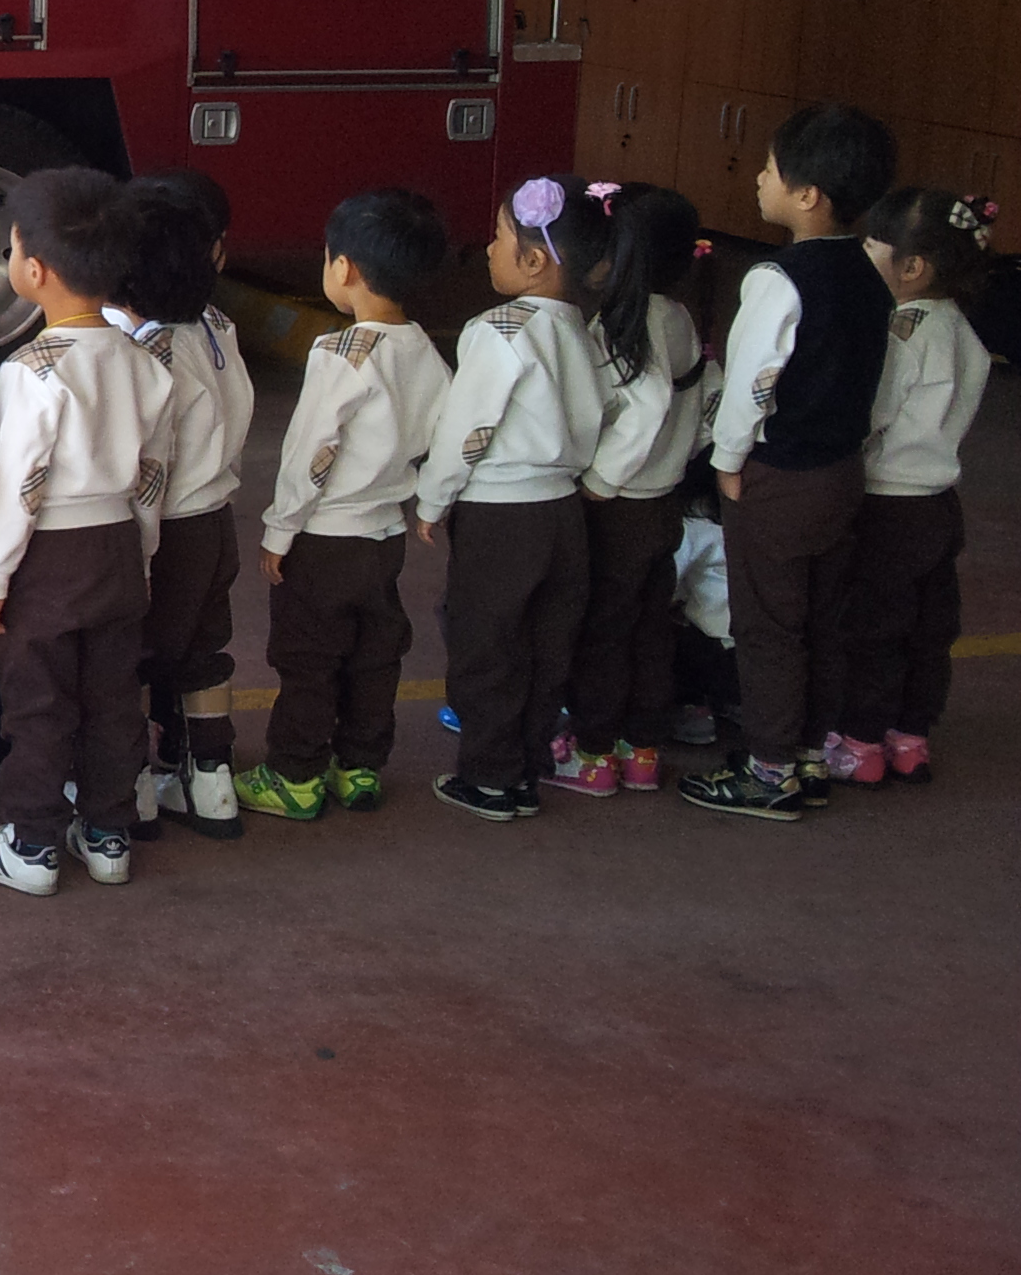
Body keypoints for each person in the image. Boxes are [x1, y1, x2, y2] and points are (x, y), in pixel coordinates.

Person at [0, 171, 174, 898]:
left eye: (13, 247)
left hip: (48, 558)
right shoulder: (145, 360)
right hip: (118, 547)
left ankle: (32, 844)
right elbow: (152, 474)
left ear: (36, 271)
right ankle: (108, 836)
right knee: (113, 702)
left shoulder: (31, 367)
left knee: (39, 706)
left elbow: (20, 485)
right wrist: (143, 554)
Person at [684, 103, 898, 822]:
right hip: (841, 471)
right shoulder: (869, 272)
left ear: (807, 195)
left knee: (768, 626)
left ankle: (768, 769)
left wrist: (728, 458)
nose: (758, 178)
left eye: (770, 169)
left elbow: (753, 381)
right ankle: (809, 754)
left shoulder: (778, 278)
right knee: (822, 621)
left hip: (779, 479)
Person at [236, 190, 453, 822]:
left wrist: (280, 529)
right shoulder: (426, 351)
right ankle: (359, 767)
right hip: (384, 538)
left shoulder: (341, 352)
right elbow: (442, 437)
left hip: (324, 540)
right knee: (374, 656)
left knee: (308, 659)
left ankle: (295, 775)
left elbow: (311, 451)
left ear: (345, 268)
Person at [412, 176, 613, 824]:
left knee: (488, 647)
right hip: (564, 514)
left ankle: (490, 778)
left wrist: (432, 498)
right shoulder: (583, 330)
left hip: (501, 516)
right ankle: (527, 768)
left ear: (534, 261)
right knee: (546, 649)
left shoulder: (498, 329)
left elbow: (467, 429)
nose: (488, 249)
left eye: (498, 238)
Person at [552, 186, 717, 801]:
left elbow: (644, 408)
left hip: (620, 507)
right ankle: (640, 750)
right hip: (661, 502)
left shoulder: (635, 317)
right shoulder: (677, 315)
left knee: (603, 631)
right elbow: (704, 403)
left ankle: (593, 753)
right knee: (649, 629)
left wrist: (600, 480)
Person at [828, 187, 993, 787]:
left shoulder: (903, 331)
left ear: (913, 267)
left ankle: (860, 743)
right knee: (929, 629)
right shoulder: (961, 328)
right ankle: (910, 739)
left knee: (875, 627)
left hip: (887, 505)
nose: (863, 255)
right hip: (937, 503)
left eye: (873, 246)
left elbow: (872, 413)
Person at [112, 171, 255, 842]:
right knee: (205, 652)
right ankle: (213, 781)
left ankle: (137, 788)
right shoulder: (218, 327)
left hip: (163, 530)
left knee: (136, 657)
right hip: (216, 521)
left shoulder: (145, 352)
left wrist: (138, 552)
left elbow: (149, 468)